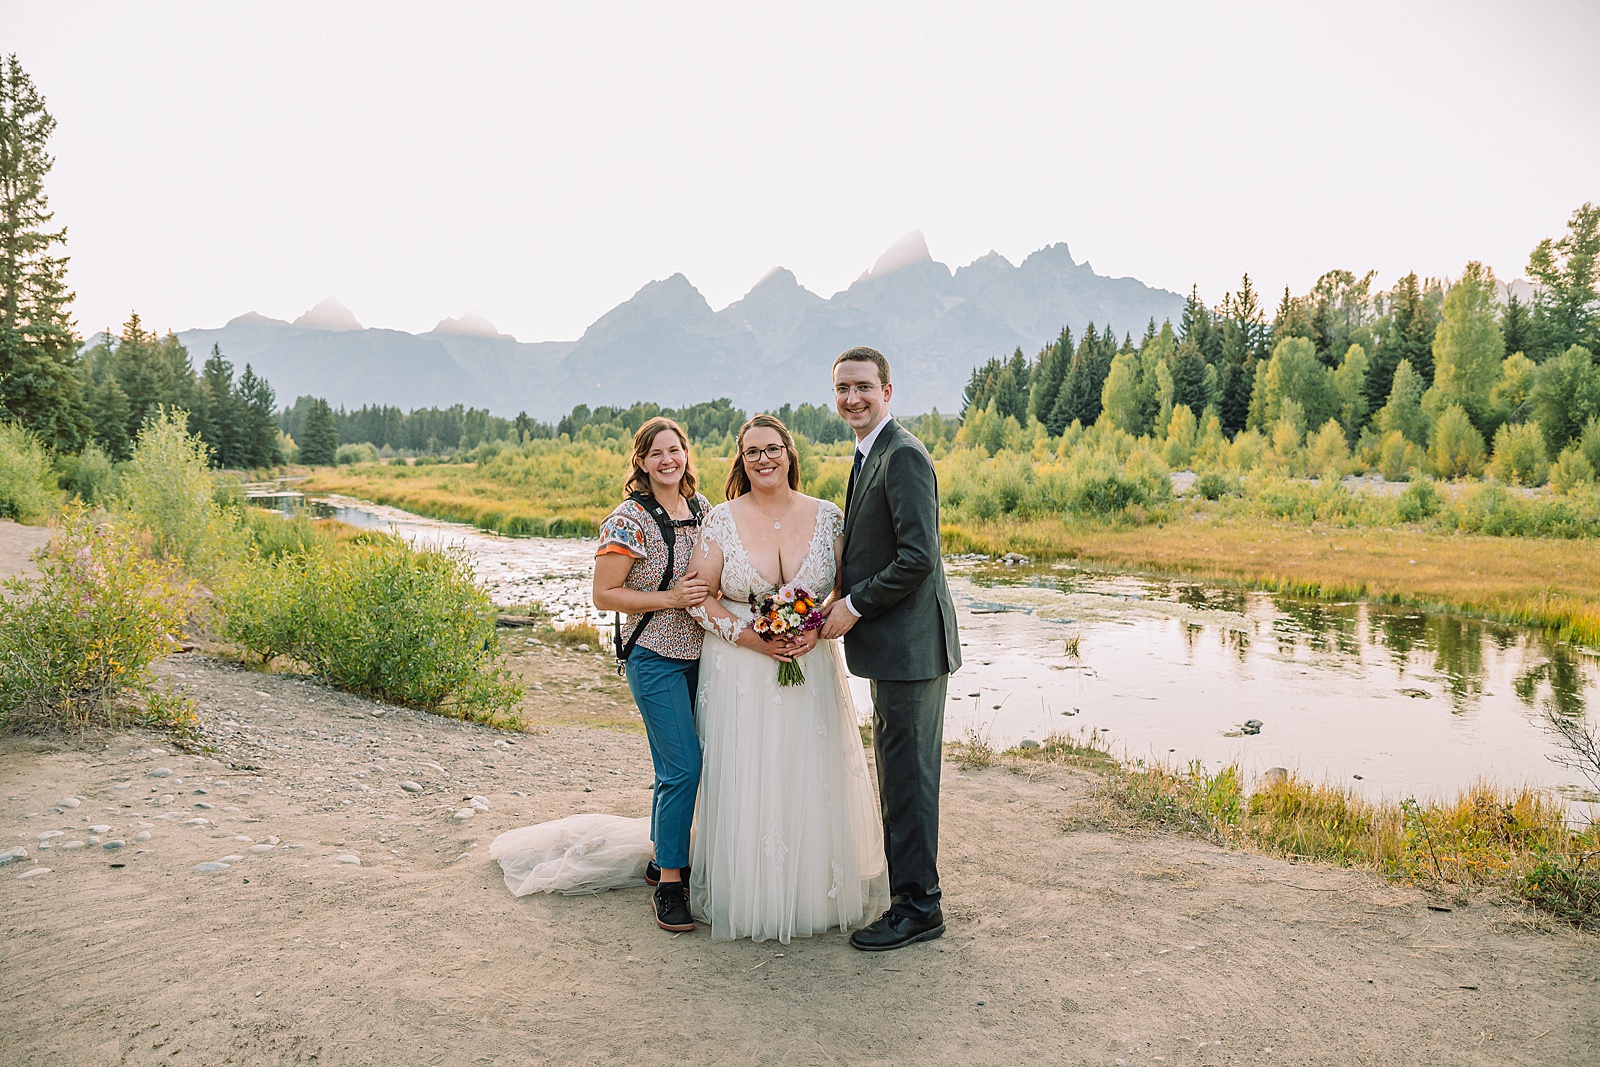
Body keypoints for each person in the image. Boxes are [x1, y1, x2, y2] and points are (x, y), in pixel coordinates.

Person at [685, 413, 887, 943]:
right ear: (741, 460)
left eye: (772, 448)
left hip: (811, 664)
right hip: (740, 671)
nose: (764, 459)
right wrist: (752, 637)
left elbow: (841, 590)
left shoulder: (828, 517)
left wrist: (815, 630)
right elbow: (699, 598)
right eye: (752, 452)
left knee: (808, 769)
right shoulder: (721, 521)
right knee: (750, 770)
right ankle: (749, 893)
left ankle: (814, 890)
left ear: (789, 454)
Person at [819, 346, 962, 952]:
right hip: (897, 647)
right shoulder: (869, 450)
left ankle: (918, 907)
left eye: (863, 387)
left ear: (888, 390)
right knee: (900, 770)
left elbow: (917, 557)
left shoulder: (901, 454)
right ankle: (911, 893)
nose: (852, 398)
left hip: (912, 648)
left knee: (908, 777)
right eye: (842, 388)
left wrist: (852, 606)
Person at [589, 417, 711, 932]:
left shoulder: (704, 509)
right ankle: (670, 889)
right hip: (655, 658)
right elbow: (603, 594)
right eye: (656, 453)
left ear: (686, 454)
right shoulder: (627, 521)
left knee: (674, 769)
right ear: (640, 461)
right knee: (683, 768)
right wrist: (669, 599)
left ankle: (662, 857)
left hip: (706, 657)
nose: (668, 460)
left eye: (675, 450)